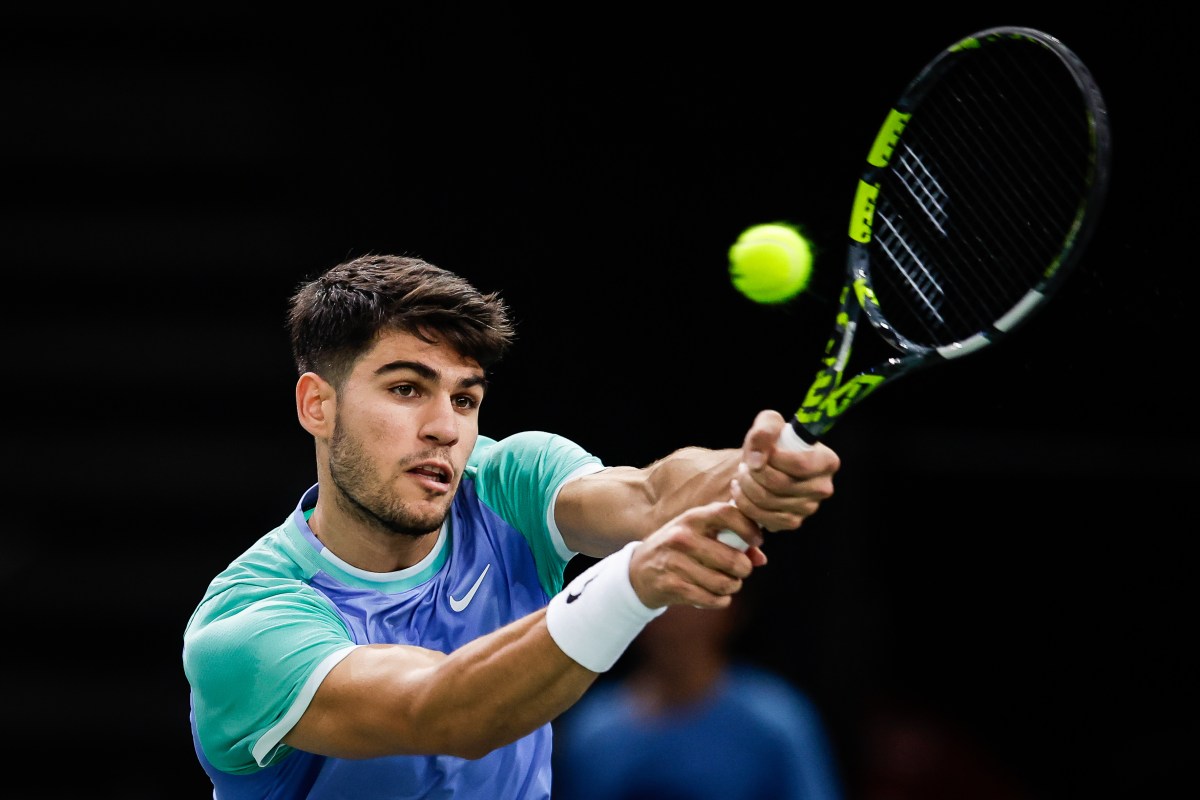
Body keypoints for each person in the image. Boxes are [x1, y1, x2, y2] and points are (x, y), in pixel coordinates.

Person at [181, 253, 842, 799]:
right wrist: (631, 585)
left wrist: (748, 471)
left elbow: (647, 495)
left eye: (464, 398)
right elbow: (441, 712)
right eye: (407, 388)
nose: (445, 427)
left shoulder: (504, 484)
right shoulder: (249, 625)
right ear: (317, 405)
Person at [553, 589, 844, 800]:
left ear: (732, 607)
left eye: (695, 592)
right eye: (663, 592)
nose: (674, 609)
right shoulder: (592, 729)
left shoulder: (778, 723)